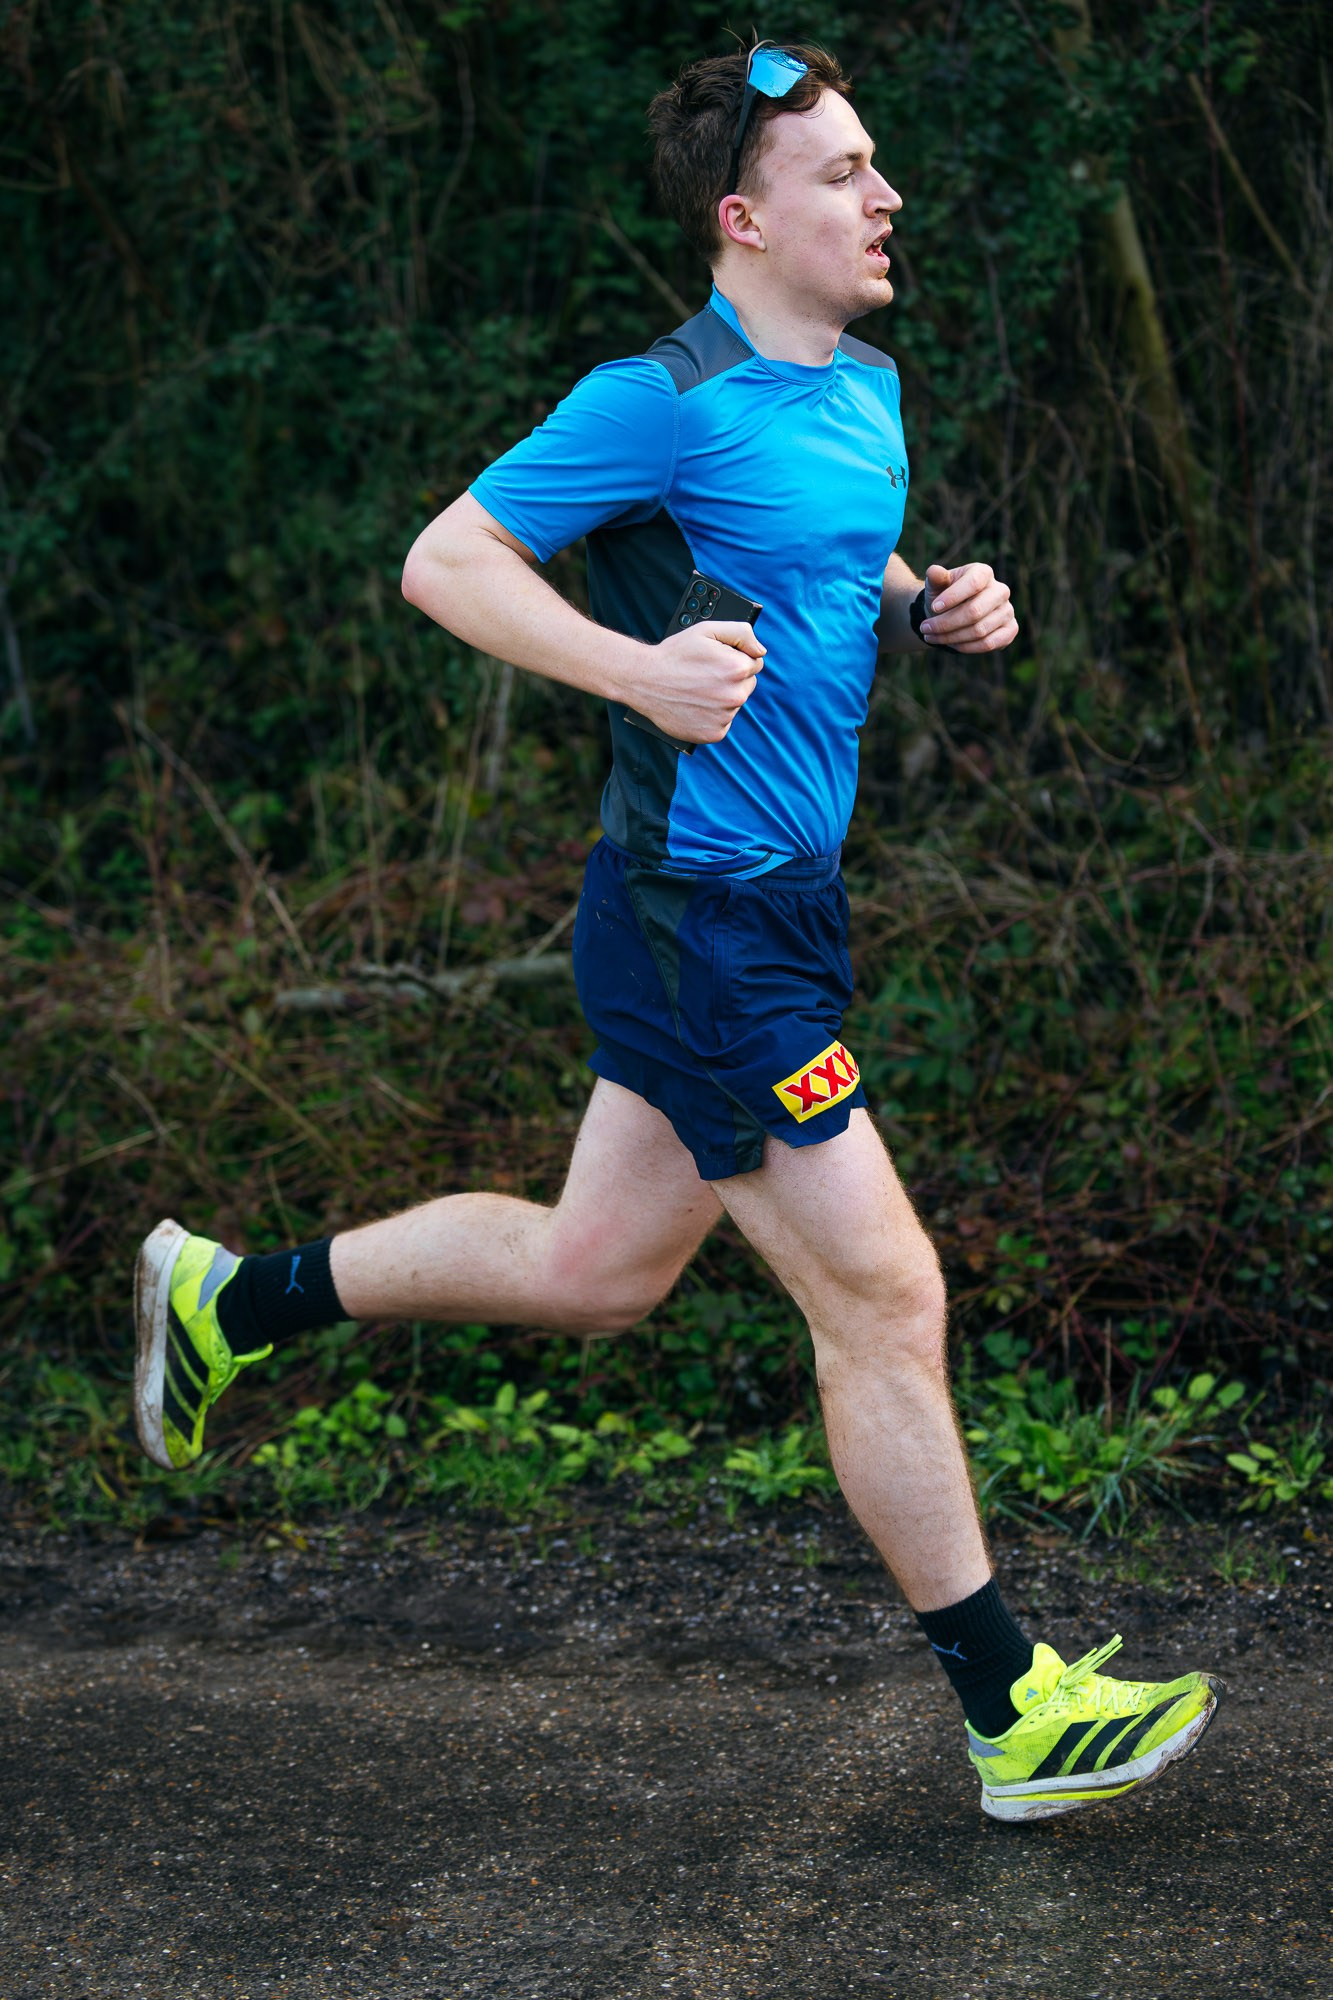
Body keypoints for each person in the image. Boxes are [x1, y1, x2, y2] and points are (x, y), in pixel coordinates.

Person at [133, 41, 1219, 1822]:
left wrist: (927, 603)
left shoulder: (862, 384)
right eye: (843, 173)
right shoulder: (655, 399)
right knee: (884, 1292)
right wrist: (631, 670)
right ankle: (1010, 1709)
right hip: (699, 912)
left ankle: (230, 1298)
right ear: (743, 219)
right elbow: (445, 562)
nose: (885, 197)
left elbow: (819, 558)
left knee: (597, 1272)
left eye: (876, 165)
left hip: (780, 901)